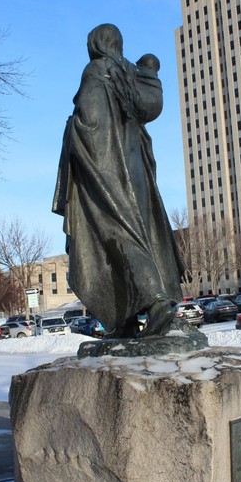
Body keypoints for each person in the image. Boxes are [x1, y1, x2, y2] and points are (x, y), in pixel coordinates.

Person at [52, 24, 185, 337]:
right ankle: (124, 320)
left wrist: (72, 130)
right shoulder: (131, 74)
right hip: (135, 170)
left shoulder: (96, 71)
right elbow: (147, 110)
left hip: (106, 168)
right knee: (130, 235)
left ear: (97, 44)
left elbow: (90, 120)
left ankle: (154, 302)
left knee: (116, 235)